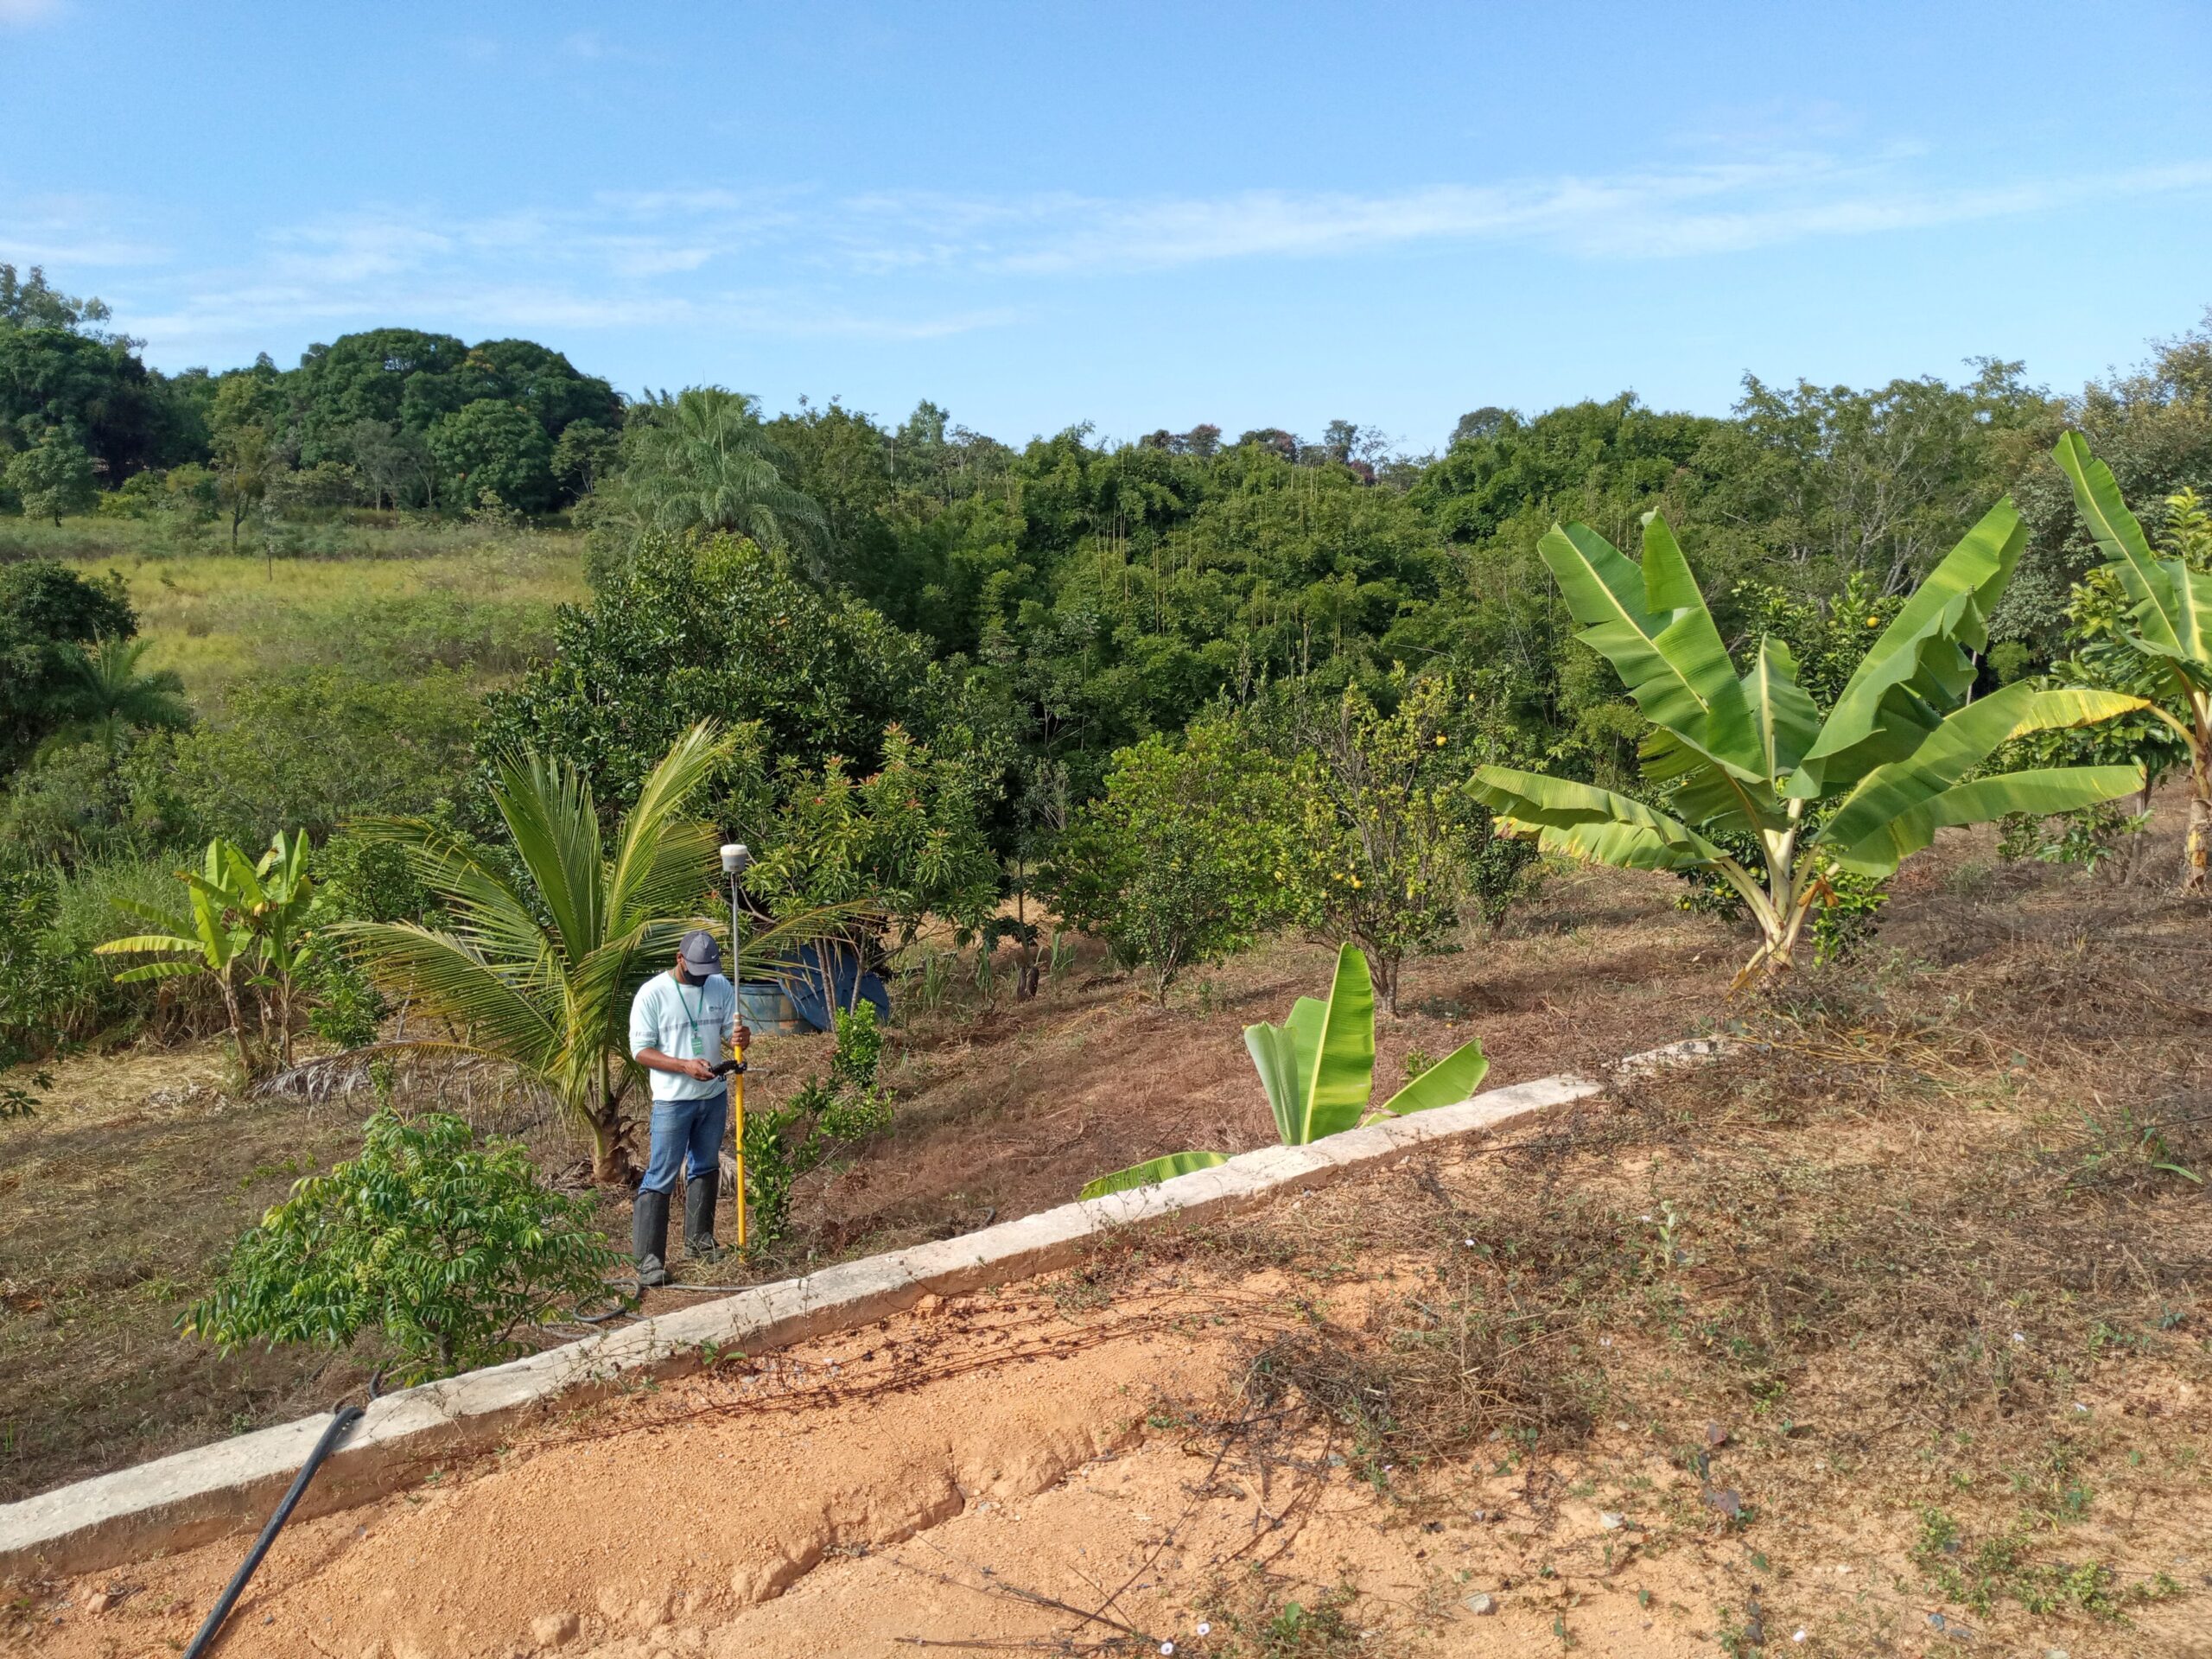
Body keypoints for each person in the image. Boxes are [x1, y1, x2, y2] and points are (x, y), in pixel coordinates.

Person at [627, 929, 749, 1286]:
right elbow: (641, 1051)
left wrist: (741, 1037)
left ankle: (700, 1241)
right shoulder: (652, 995)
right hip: (672, 1100)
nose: (702, 976)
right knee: (662, 1173)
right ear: (679, 959)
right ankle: (649, 1261)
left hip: (712, 1096)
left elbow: (732, 1031)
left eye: (708, 969)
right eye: (696, 968)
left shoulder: (719, 985)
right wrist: (684, 1065)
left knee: (706, 1165)